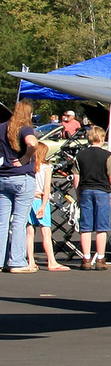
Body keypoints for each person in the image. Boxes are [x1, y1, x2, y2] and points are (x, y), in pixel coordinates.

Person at [0, 102, 40, 272]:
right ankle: (16, 261)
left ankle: (0, 260)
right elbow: (32, 143)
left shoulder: (2, 127)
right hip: (21, 177)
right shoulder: (25, 128)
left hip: (3, 176)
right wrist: (26, 157)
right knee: (19, 220)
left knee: (2, 222)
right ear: (29, 115)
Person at [73, 125, 111, 270]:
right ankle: (100, 258)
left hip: (86, 190)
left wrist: (78, 193)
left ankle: (86, 258)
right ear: (102, 139)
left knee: (85, 226)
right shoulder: (107, 155)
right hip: (102, 191)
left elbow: (76, 177)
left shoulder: (80, 155)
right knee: (101, 226)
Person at [28, 140, 70, 270]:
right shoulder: (46, 168)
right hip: (41, 200)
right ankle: (51, 261)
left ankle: (30, 261)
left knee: (29, 232)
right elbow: (47, 189)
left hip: (29, 200)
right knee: (46, 232)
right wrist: (43, 205)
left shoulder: (28, 166)